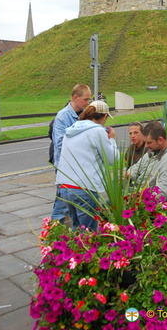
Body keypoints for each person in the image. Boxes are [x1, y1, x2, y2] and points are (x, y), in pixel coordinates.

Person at [56, 100, 119, 230]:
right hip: (84, 187)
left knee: (77, 227)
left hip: (65, 185)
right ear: (104, 116)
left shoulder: (72, 129)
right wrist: (111, 139)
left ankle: (74, 250)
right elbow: (113, 159)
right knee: (88, 233)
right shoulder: (97, 131)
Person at [51, 84, 92, 222]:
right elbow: (60, 144)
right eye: (85, 99)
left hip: (78, 168)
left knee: (72, 208)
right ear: (75, 97)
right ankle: (52, 236)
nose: (87, 103)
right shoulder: (63, 116)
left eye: (89, 100)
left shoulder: (82, 115)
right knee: (62, 206)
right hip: (66, 168)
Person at [127, 121, 167, 201]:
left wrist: (138, 198)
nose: (146, 146)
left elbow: (163, 194)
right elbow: (138, 166)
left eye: (149, 142)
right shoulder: (156, 150)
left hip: (146, 201)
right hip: (139, 191)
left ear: (160, 140)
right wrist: (128, 174)